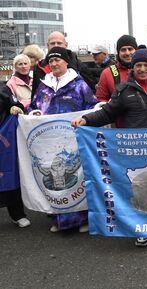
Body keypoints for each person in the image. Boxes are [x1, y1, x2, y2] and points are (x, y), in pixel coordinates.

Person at [71, 38, 147, 247]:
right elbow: (107, 113)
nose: (142, 69)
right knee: (144, 192)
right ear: (133, 67)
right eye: (138, 65)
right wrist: (86, 120)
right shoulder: (124, 91)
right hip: (138, 154)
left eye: (146, 65)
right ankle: (142, 228)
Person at [29, 47, 97, 233]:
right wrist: (33, 113)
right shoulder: (44, 85)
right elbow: (34, 106)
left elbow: (91, 105)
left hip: (73, 141)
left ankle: (82, 219)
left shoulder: (78, 84)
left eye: (57, 60)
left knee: (76, 177)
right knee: (53, 178)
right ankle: (59, 219)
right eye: (51, 61)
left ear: (66, 62)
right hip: (50, 143)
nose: (53, 64)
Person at [0, 83, 31, 228]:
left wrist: (16, 107)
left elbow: (16, 104)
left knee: (9, 174)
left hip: (3, 140)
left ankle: (17, 214)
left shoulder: (2, 88)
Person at [31, 31, 95, 95]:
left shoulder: (79, 66)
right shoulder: (39, 68)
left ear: (66, 45)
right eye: (52, 43)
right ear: (48, 45)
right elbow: (35, 94)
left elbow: (90, 93)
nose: (56, 46)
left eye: (59, 43)